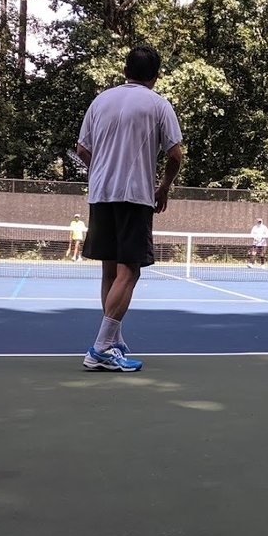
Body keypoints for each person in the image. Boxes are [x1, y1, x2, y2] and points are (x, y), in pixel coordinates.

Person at [76, 45, 184, 371]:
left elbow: (82, 149)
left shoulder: (101, 101)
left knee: (110, 270)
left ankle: (113, 342)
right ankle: (100, 348)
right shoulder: (158, 104)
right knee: (130, 271)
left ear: (125, 71)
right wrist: (163, 188)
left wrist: (102, 170)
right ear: (155, 75)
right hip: (134, 197)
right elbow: (176, 155)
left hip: (100, 195)